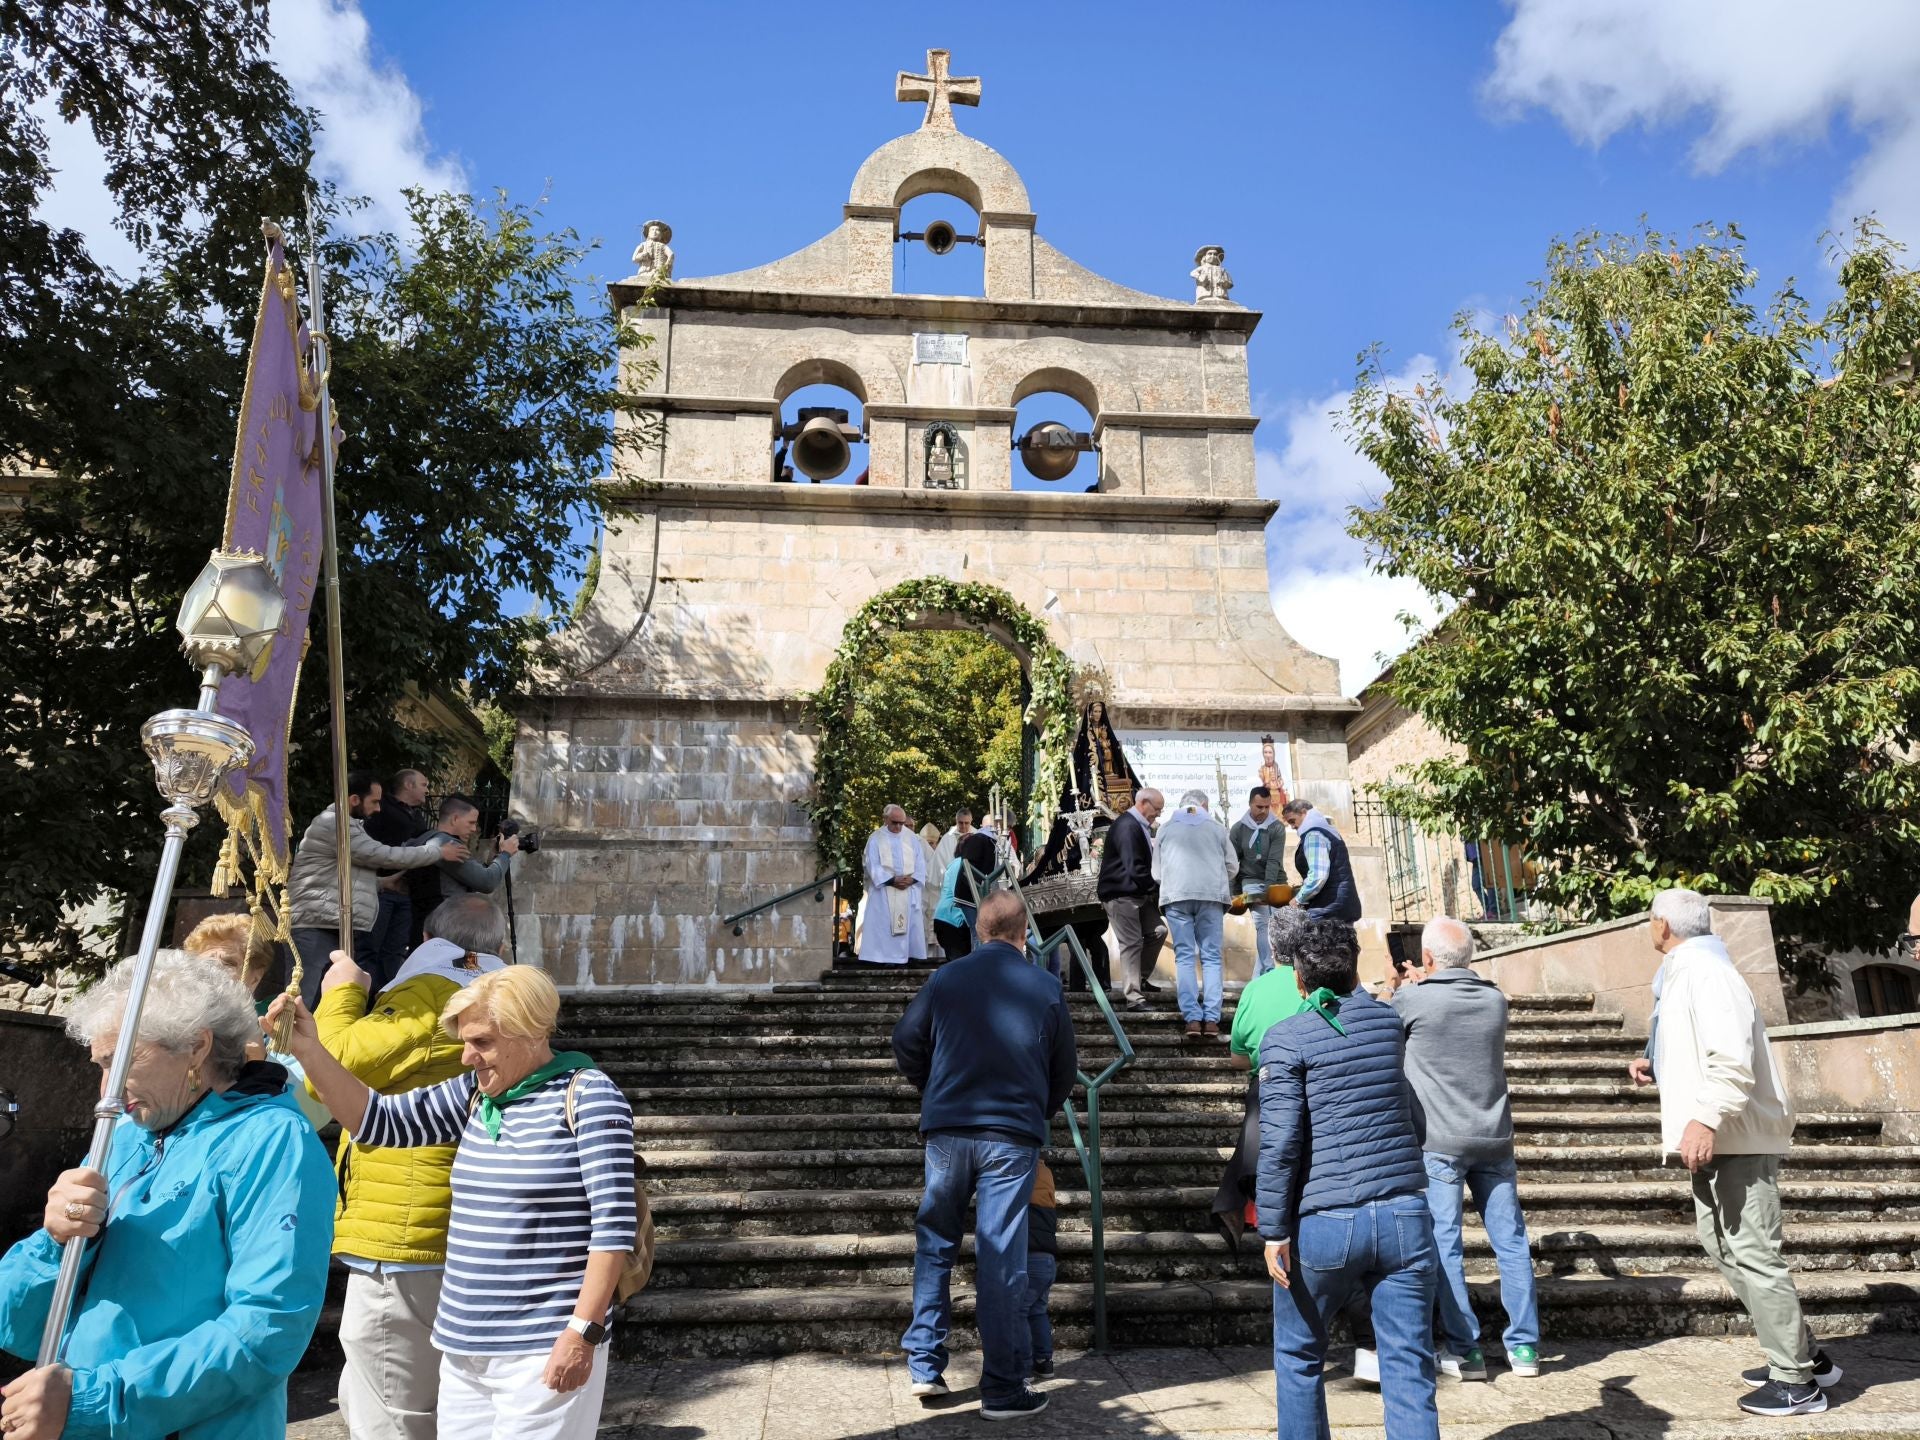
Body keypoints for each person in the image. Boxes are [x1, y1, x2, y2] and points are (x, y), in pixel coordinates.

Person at [270, 964, 637, 1440]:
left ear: (529, 1031)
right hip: (462, 1346)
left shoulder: (588, 1095)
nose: (466, 1057)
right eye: (465, 1041)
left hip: (542, 1344)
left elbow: (613, 1228)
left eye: (481, 1042)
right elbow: (376, 1121)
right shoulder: (473, 1094)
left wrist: (582, 1333)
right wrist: (309, 1049)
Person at [0, 950, 334, 1440]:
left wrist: (95, 1401)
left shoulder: (273, 1140)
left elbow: (268, 1328)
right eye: (99, 1066)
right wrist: (55, 1242)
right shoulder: (128, 1132)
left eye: (119, 1062)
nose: (104, 1090)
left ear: (196, 1047)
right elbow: (19, 1323)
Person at [309, 896, 510, 1440]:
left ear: (427, 941)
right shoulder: (503, 1001)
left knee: (392, 1404)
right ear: (500, 949)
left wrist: (343, 990)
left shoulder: (432, 989)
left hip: (404, 1224)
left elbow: (327, 1072)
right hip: (449, 1214)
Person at [1634, 888, 1838, 1417]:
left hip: (1732, 1134)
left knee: (1752, 1251)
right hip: (1717, 1134)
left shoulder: (1708, 974)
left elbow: (1731, 1061)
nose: (1649, 929)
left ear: (1663, 926)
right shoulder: (1687, 971)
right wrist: (1655, 1062)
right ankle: (1803, 1356)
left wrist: (1704, 1120)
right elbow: (1697, 1045)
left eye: (1650, 921)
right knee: (1723, 1244)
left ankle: (1797, 1383)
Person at [892, 891, 1078, 1421]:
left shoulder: (946, 977)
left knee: (936, 1242)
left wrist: (931, 1087)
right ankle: (1001, 1387)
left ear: (979, 931)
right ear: (1025, 934)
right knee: (1001, 1255)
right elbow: (1064, 1067)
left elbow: (906, 1038)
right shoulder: (1044, 985)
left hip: (949, 1127)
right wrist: (1036, 1109)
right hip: (1011, 1135)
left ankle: (925, 1365)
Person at [1258, 920, 1439, 1439]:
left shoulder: (1287, 1038)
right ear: (1353, 965)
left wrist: (1273, 1229)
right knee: (1408, 1362)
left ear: (1298, 978)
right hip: (1404, 1209)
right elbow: (1413, 1115)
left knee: (1299, 1355)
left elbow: (1281, 1142)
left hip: (1325, 1217)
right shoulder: (1387, 1024)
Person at [1394, 917, 1540, 1381]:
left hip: (1439, 1139)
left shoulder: (1413, 998)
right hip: (1494, 1136)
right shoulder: (1496, 1001)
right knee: (1511, 1243)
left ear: (1430, 958)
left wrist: (1411, 984)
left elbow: (1385, 1020)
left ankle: (1465, 1351)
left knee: (1445, 1244)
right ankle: (1525, 1349)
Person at [288, 770, 467, 1006]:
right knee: (302, 1000)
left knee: (321, 1000)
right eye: (374, 801)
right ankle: (284, 1043)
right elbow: (380, 854)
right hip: (314, 924)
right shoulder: (335, 823)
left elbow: (341, 876)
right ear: (354, 800)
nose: (379, 808)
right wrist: (436, 851)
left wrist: (381, 883)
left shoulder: (347, 824)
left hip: (326, 922)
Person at [182, 911, 332, 1129]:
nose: (213, 972)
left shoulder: (276, 1030)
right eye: (205, 964)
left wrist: (263, 1062)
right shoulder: (172, 1026)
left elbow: (316, 1114)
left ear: (255, 977)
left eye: (228, 963)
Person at [1153, 789, 1238, 1040]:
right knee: (1211, 957)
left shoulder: (1166, 829)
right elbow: (1232, 866)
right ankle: (1212, 1019)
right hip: (1211, 897)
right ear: (1204, 805)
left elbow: (1157, 873)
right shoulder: (1217, 828)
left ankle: (1191, 1018)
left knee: (1185, 957)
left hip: (1177, 897)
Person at [1097, 787, 1164, 1010]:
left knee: (1158, 931)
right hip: (1120, 894)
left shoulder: (1138, 825)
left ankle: (1139, 978)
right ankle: (1134, 998)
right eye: (1157, 809)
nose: (1159, 814)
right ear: (1143, 803)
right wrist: (1157, 888)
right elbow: (1134, 867)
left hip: (1137, 893)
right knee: (1132, 943)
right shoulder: (1127, 826)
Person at [363, 766, 433, 979]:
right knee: (370, 948)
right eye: (424, 785)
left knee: (393, 951)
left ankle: (382, 997)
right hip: (381, 890)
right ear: (408, 785)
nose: (427, 790)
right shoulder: (381, 810)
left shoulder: (418, 817)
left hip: (405, 894)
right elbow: (371, 848)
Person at [410, 795, 520, 915]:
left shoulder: (426, 838)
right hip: (444, 919)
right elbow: (487, 882)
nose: (474, 829)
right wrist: (505, 854)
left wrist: (492, 858)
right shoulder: (448, 846)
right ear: (455, 819)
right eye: (471, 822)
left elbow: (467, 878)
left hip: (427, 917)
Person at [1231, 787, 1288, 976]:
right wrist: (1234, 892)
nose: (1263, 811)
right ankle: (1271, 970)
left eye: (1266, 807)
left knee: (1273, 928)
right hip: (1250, 881)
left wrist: (1269, 892)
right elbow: (1233, 863)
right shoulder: (1238, 829)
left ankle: (1258, 981)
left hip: (1275, 881)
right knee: (1263, 924)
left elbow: (1274, 861)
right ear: (1250, 804)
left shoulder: (1277, 827)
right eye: (1259, 807)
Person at [861, 804, 928, 965]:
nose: (898, 826)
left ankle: (910, 956)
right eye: (894, 822)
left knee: (910, 924)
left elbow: (920, 862)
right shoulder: (876, 838)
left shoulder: (911, 838)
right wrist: (891, 880)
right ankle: (884, 958)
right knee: (884, 924)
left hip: (908, 889)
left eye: (901, 823)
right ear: (885, 819)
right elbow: (872, 864)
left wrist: (912, 879)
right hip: (885, 890)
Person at [1281, 798, 1362, 924]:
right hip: (1344, 903)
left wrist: (1298, 899)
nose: (1292, 826)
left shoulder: (1313, 835)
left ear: (1303, 812)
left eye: (1292, 821)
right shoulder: (1328, 831)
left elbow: (1318, 875)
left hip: (1328, 906)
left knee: (1313, 941)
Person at [933, 831, 998, 961]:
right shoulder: (963, 864)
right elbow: (960, 893)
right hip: (953, 922)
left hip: (947, 920)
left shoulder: (956, 863)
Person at [1025, 1159, 1058, 1381]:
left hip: (1027, 1258)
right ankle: (1044, 1361)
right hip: (1047, 1260)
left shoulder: (1022, 1172)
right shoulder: (1045, 1174)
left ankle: (1019, 1365)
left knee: (1017, 1312)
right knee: (1037, 1310)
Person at [934, 806, 977, 872]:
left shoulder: (977, 835)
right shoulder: (948, 837)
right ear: (956, 820)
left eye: (966, 823)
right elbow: (939, 859)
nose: (964, 826)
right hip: (953, 874)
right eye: (961, 823)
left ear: (971, 821)